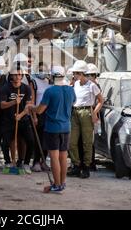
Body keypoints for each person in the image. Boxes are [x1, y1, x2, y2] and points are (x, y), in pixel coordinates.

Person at [28, 65, 76, 193]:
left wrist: (32, 107)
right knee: (63, 157)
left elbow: (40, 110)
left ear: (52, 76)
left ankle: (56, 185)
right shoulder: (70, 90)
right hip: (66, 127)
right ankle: (61, 183)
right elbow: (73, 103)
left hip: (53, 128)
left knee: (54, 157)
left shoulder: (50, 91)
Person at [68, 60, 104, 179]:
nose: (74, 75)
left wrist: (94, 112)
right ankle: (76, 165)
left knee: (87, 142)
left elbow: (100, 100)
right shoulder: (76, 84)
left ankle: (86, 167)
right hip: (75, 111)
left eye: (76, 73)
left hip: (86, 112)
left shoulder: (92, 85)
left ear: (81, 73)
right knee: (72, 142)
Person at [0, 67, 35, 174]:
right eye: (15, 74)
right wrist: (14, 102)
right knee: (5, 142)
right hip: (8, 120)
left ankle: (25, 163)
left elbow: (29, 105)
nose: (17, 77)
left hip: (23, 119)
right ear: (11, 76)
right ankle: (7, 162)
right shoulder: (6, 88)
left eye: (19, 75)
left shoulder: (26, 88)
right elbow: (2, 105)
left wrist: (21, 115)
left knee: (31, 141)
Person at [31, 62, 51, 172]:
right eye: (40, 70)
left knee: (46, 139)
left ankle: (44, 161)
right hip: (38, 113)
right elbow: (33, 100)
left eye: (44, 70)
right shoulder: (34, 82)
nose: (42, 72)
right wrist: (34, 116)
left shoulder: (49, 82)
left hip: (48, 113)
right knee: (37, 138)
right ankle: (36, 162)